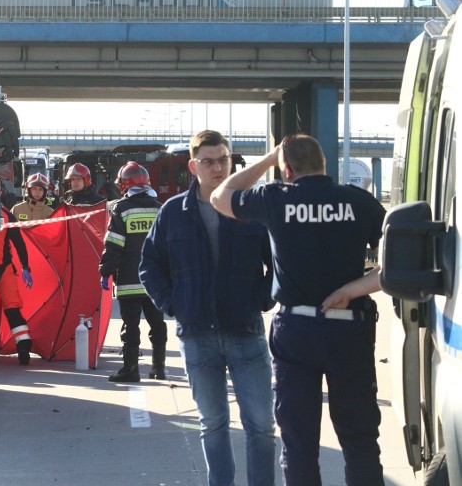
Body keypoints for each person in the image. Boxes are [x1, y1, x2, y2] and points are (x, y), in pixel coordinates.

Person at [210, 133, 386, 486]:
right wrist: (353, 289)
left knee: (299, 442)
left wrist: (266, 161)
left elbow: (219, 196)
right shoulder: (359, 201)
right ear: (325, 164)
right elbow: (397, 263)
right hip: (350, 329)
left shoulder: (274, 198)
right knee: (360, 440)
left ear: (286, 169)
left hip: (297, 333)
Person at [140, 130, 276, 486]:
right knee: (213, 424)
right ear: (193, 166)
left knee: (261, 424)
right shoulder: (174, 212)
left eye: (223, 160)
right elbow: (150, 266)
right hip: (197, 334)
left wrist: (261, 299)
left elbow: (278, 264)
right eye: (209, 161)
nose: (217, 168)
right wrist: (173, 305)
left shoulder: (250, 209)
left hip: (245, 331)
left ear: (231, 162)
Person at [99, 161, 167, 382]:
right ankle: (158, 368)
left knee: (131, 326)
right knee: (158, 324)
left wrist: (105, 270)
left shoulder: (122, 209)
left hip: (129, 279)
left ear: (124, 185)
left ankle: (130, 369)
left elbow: (114, 244)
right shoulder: (159, 209)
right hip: (155, 283)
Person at [0, 177, 35, 365]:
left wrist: (25, 267)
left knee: (12, 310)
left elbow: (19, 244)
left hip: (4, 271)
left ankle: (23, 347)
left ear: (0, 193)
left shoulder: (7, 216)